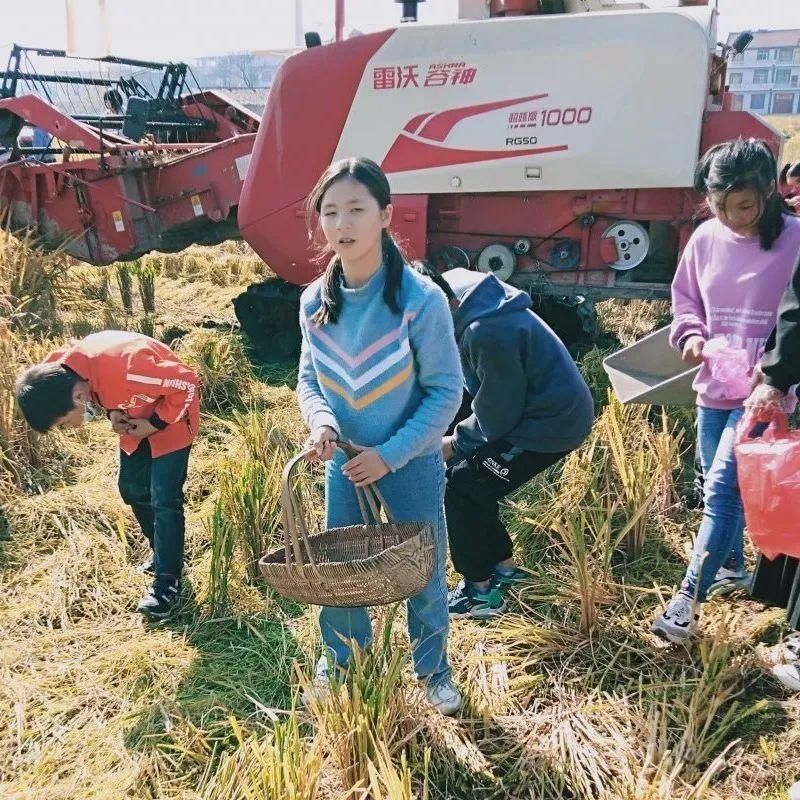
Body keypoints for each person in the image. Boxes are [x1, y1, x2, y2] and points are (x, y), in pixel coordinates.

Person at [296, 157, 464, 715]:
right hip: (343, 463)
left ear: (386, 215)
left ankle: (433, 670)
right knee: (339, 568)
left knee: (423, 565)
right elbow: (308, 380)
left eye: (357, 210)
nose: (342, 223)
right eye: (331, 211)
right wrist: (322, 423)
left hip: (408, 460)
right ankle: (341, 659)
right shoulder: (313, 302)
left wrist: (389, 456)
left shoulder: (420, 300)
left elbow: (446, 393)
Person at [651, 138, 800, 644]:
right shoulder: (706, 239)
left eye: (741, 205)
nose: (730, 217)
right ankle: (732, 567)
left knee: (719, 490)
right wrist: (691, 336)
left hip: (767, 392)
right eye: (718, 206)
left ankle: (685, 602)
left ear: (768, 193)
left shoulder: (795, 240)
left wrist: (775, 377)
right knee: (718, 487)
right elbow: (685, 298)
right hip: (714, 385)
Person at [415, 264, 594, 619]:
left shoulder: (485, 332)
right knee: (478, 484)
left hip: (548, 424)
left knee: (461, 485)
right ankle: (504, 567)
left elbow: (497, 415)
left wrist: (455, 442)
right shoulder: (461, 292)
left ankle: (480, 592)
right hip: (531, 405)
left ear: (438, 304)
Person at [14, 331, 200, 618]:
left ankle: (168, 583)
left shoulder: (130, 369)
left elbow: (187, 382)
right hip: (134, 419)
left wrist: (155, 422)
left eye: (64, 423)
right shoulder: (65, 370)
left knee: (164, 498)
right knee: (132, 489)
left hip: (172, 419)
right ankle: (162, 551)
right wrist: (113, 411)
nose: (71, 428)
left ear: (77, 398)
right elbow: (101, 391)